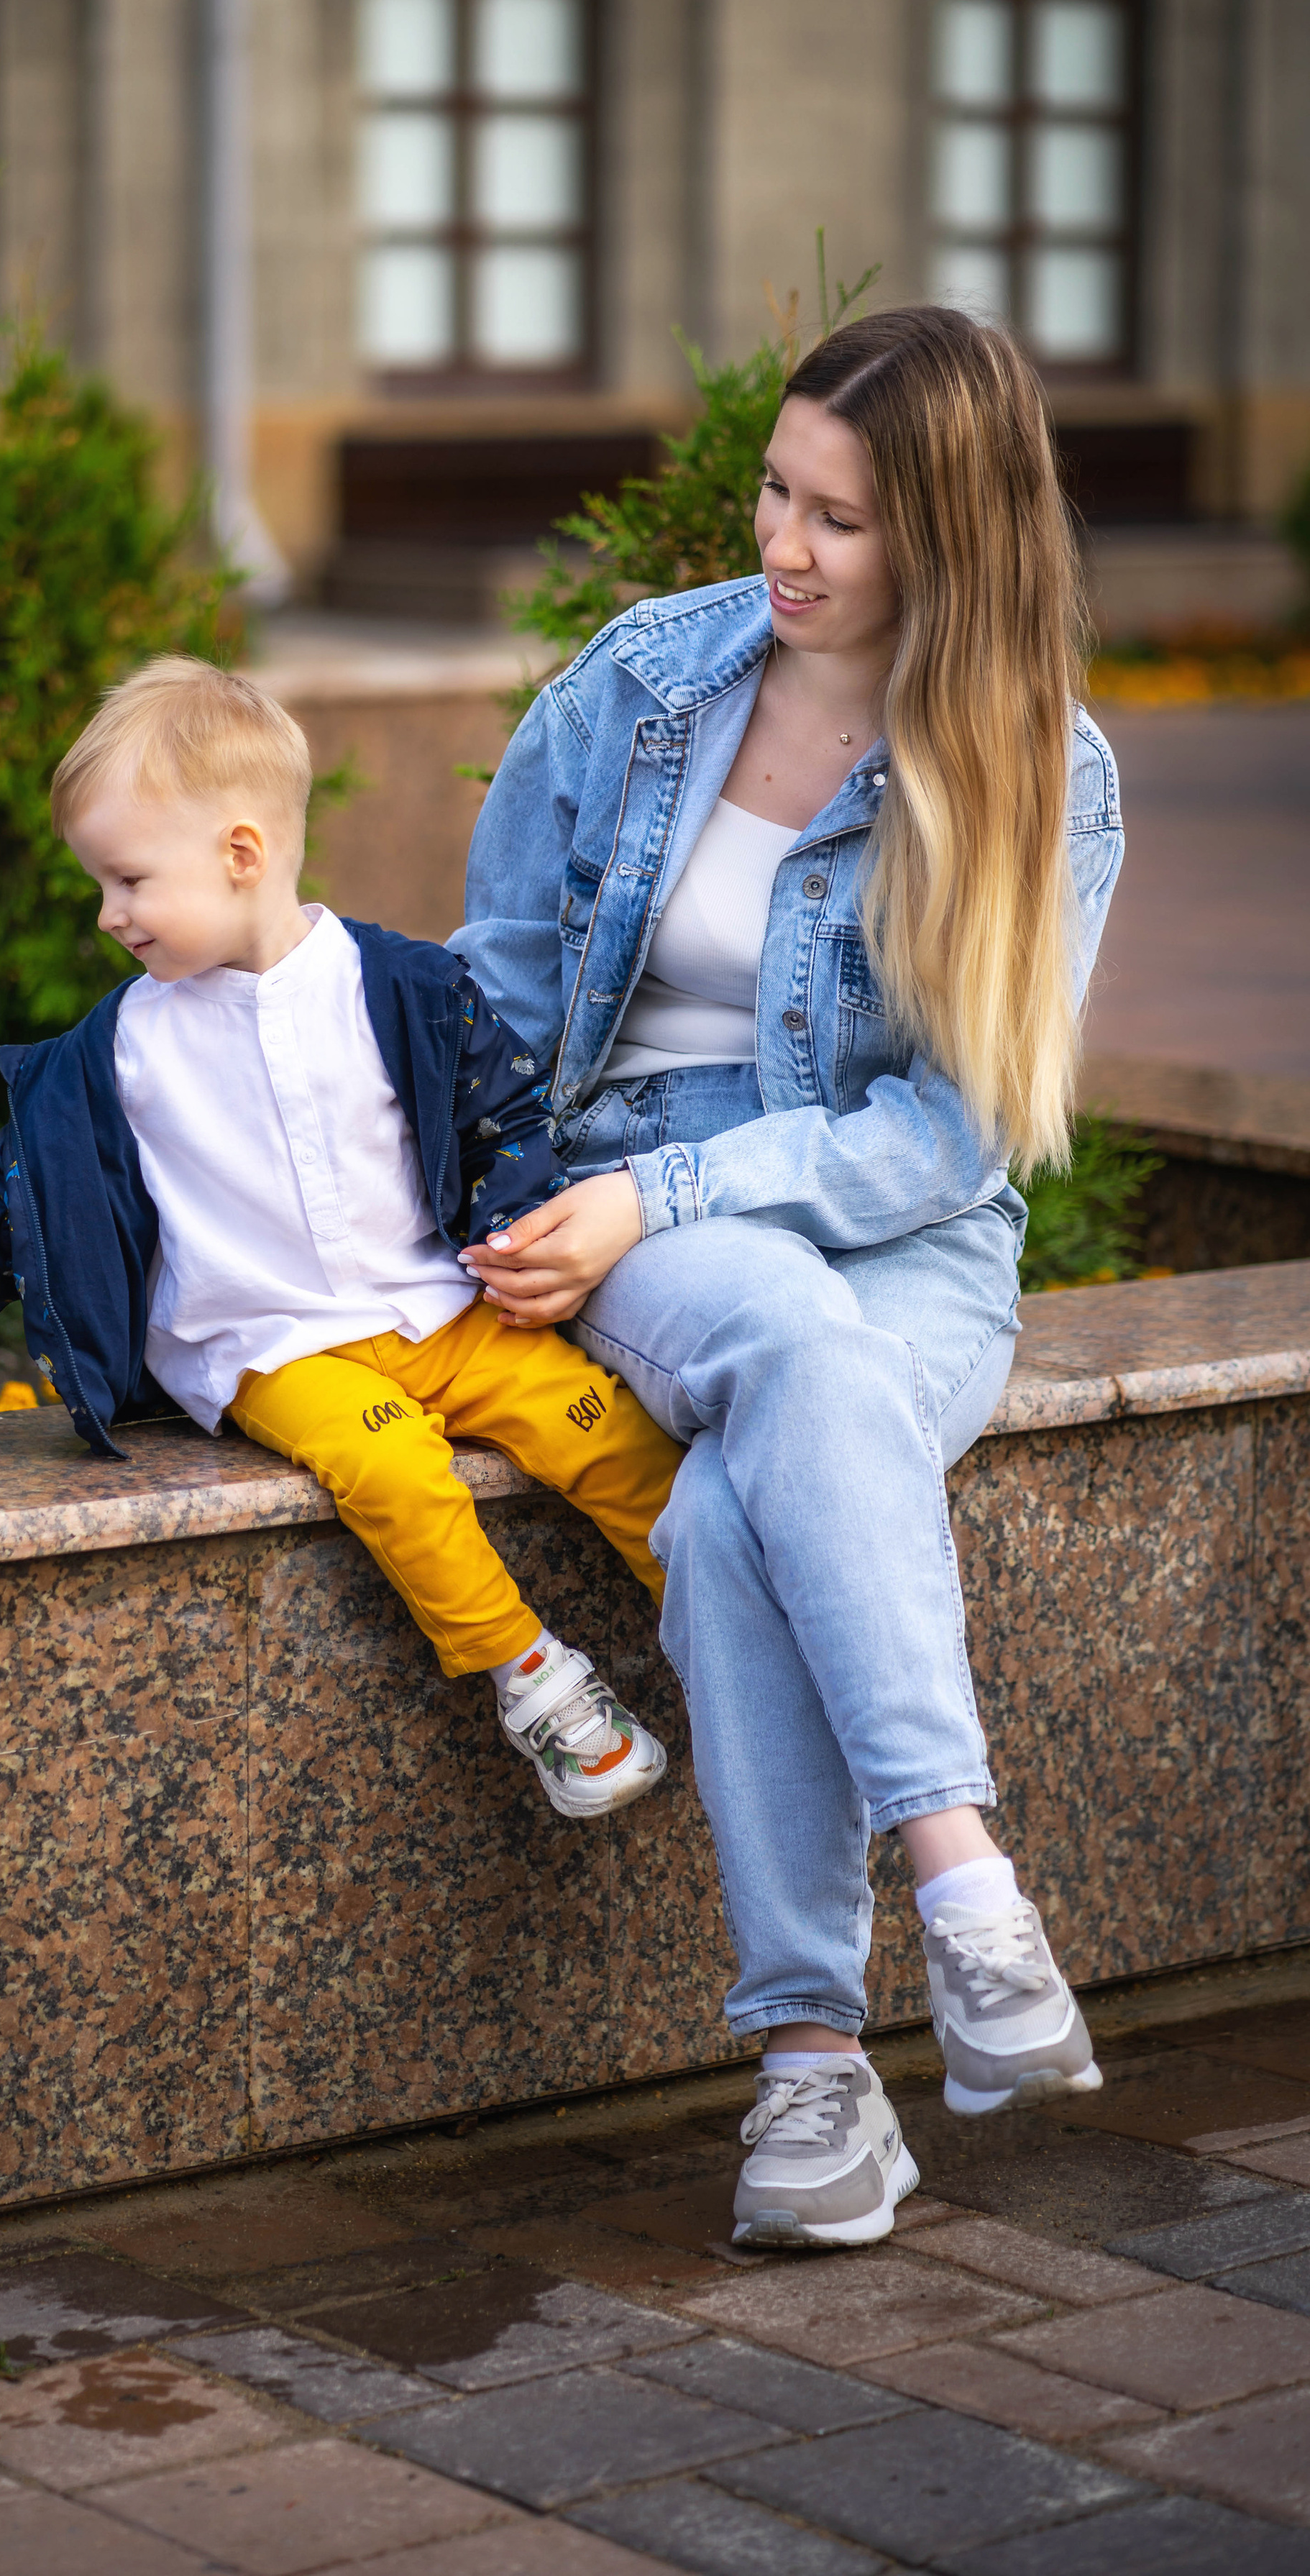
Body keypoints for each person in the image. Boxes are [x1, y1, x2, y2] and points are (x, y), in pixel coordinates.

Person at [450, 304, 1125, 2247]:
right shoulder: (645, 682)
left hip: (899, 1229)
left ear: (953, 540)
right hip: (614, 1189)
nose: (783, 546)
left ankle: (815, 2087)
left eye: (841, 518)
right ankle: (966, 1878)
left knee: (748, 1508)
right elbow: (496, 1001)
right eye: (775, 489)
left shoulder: (1035, 769)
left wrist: (687, 1196)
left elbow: (944, 1136)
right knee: (780, 1348)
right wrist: (593, 1202)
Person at [0, 656, 686, 1818]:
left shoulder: (408, 988)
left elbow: (500, 1117)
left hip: (444, 1314)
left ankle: (731, 1639)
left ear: (242, 854)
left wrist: (523, 1231)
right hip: (278, 1351)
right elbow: (12, 1209)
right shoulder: (119, 1055)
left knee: (606, 1434)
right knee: (392, 1473)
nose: (107, 915)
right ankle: (538, 1686)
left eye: (126, 881)